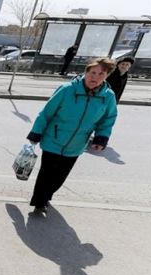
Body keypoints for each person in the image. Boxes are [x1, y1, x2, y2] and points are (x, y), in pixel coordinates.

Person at [26, 57, 118, 214]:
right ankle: (40, 203)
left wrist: (101, 138)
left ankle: (47, 195)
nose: (95, 77)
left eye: (101, 74)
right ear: (86, 72)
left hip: (77, 143)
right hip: (53, 139)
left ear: (106, 76)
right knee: (46, 173)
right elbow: (46, 113)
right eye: (93, 72)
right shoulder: (67, 89)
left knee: (60, 176)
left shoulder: (108, 96)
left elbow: (108, 119)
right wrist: (36, 133)